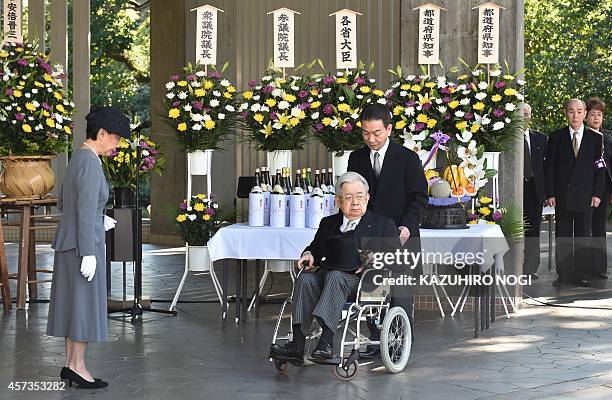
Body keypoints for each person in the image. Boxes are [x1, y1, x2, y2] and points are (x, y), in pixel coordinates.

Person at [269, 172, 399, 363]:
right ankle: (297, 344)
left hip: (366, 283)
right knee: (306, 278)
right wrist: (309, 254)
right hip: (329, 276)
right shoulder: (328, 223)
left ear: (368, 197)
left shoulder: (383, 225)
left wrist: (374, 258)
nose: (355, 202)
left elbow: (397, 257)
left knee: (336, 277)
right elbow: (315, 247)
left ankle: (326, 343)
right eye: (348, 197)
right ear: (338, 201)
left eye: (360, 196)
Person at [46, 106, 130, 389]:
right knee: (82, 307)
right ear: (101, 133)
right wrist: (90, 252)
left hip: (69, 243)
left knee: (73, 306)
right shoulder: (91, 162)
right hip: (83, 246)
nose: (117, 145)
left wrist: (97, 216)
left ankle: (71, 365)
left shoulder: (78, 158)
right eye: (116, 138)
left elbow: (64, 203)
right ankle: (79, 367)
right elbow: (81, 211)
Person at [347, 103, 428, 357]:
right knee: (373, 292)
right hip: (370, 237)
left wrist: (406, 226)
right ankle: (376, 342)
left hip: (402, 237)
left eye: (377, 133)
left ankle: (401, 344)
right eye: (365, 133)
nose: (371, 139)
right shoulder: (356, 158)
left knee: (400, 295)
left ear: (389, 129)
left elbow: (419, 199)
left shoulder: (408, 159)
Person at [545, 99, 604, 287]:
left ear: (585, 113)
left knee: (582, 236)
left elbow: (599, 168)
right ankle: (563, 275)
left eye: (579, 111)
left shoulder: (595, 138)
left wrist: (597, 193)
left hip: (586, 196)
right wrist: (550, 193)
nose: (575, 115)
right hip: (562, 196)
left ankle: (579, 275)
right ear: (566, 113)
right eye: (571, 111)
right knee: (562, 236)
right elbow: (549, 167)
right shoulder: (556, 137)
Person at [585, 97, 611, 280]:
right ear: (586, 116)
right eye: (592, 114)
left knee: (599, 228)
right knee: (584, 229)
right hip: (585, 189)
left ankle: (599, 268)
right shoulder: (581, 136)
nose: (596, 118)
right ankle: (583, 267)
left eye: (599, 114)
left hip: (604, 189)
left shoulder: (609, 137)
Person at [522, 103, 547, 279]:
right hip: (515, 188)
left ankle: (530, 269)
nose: (524, 117)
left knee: (533, 230)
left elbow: (547, 167)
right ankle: (511, 266)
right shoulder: (507, 138)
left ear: (531, 116)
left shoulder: (540, 138)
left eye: (526, 114)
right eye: (520, 114)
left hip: (534, 189)